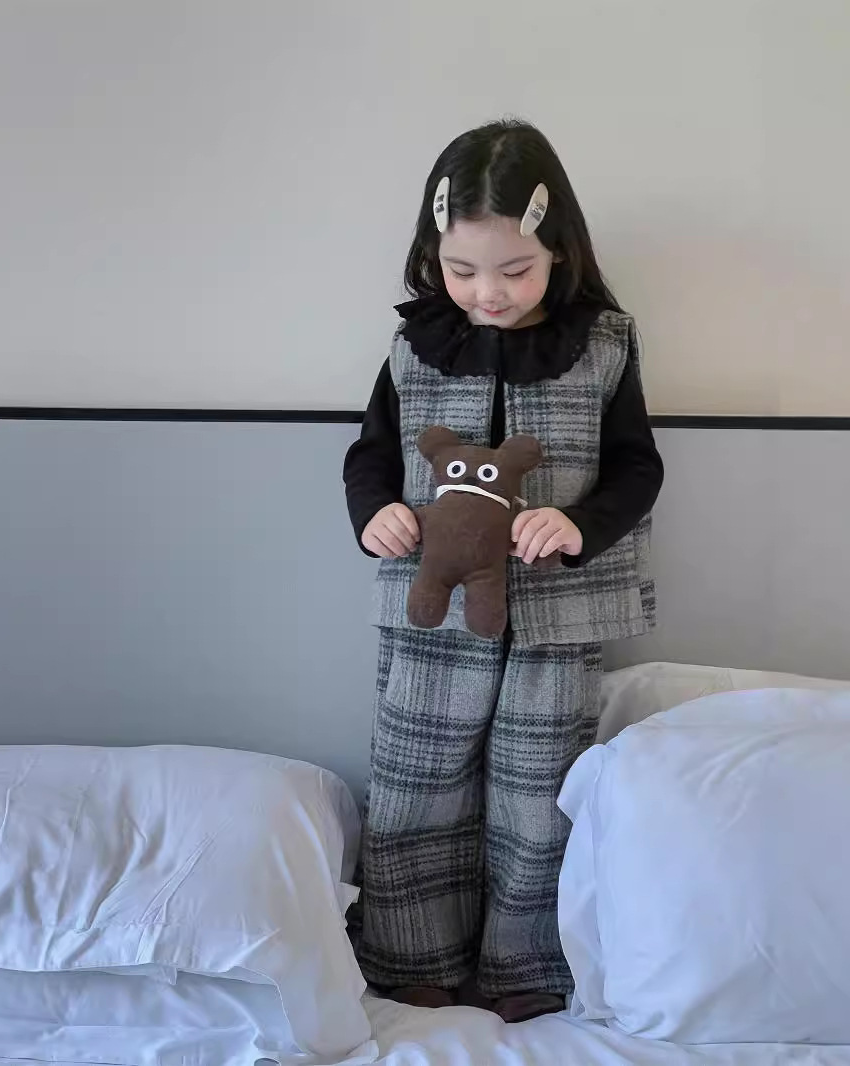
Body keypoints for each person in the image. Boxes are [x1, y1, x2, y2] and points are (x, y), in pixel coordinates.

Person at [342, 118, 663, 1023]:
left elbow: (637, 468)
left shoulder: (603, 344)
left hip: (555, 615)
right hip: (432, 609)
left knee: (537, 794)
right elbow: (370, 456)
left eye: (515, 270)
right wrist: (376, 515)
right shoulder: (414, 346)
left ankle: (529, 967)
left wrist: (576, 524)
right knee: (417, 779)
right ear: (432, 254)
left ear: (559, 251)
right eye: (462, 270)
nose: (488, 293)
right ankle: (413, 954)